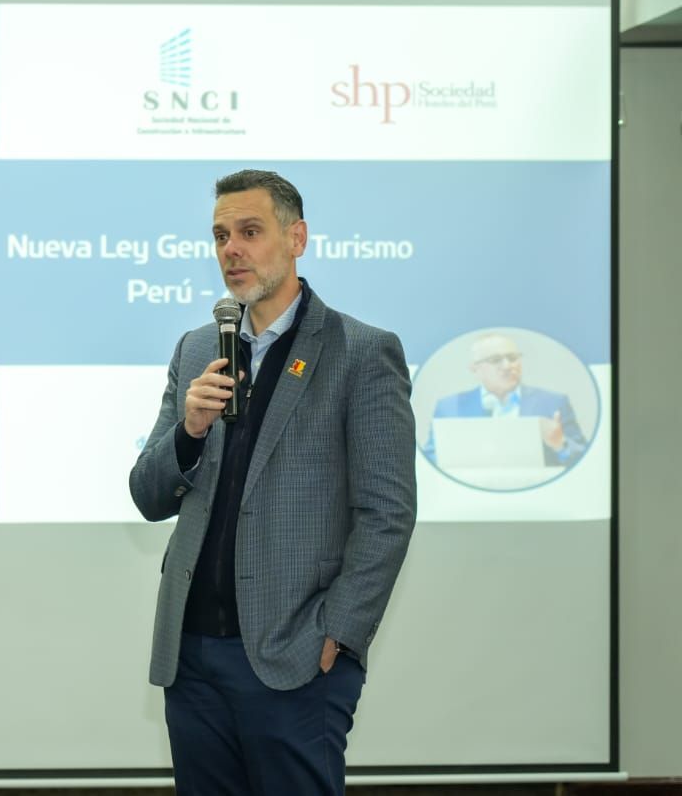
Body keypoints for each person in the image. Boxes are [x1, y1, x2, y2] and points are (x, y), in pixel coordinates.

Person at [129, 170, 416, 795]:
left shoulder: (360, 352)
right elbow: (148, 496)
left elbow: (387, 513)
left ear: (296, 238)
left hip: (296, 657)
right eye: (220, 235)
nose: (231, 249)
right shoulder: (198, 348)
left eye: (250, 232)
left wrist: (339, 631)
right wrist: (189, 431)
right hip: (192, 655)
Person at [423, 332, 588, 467]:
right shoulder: (450, 407)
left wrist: (560, 444)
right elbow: (429, 462)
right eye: (495, 360)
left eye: (513, 358)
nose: (508, 366)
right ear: (475, 368)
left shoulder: (553, 403)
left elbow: (585, 459)